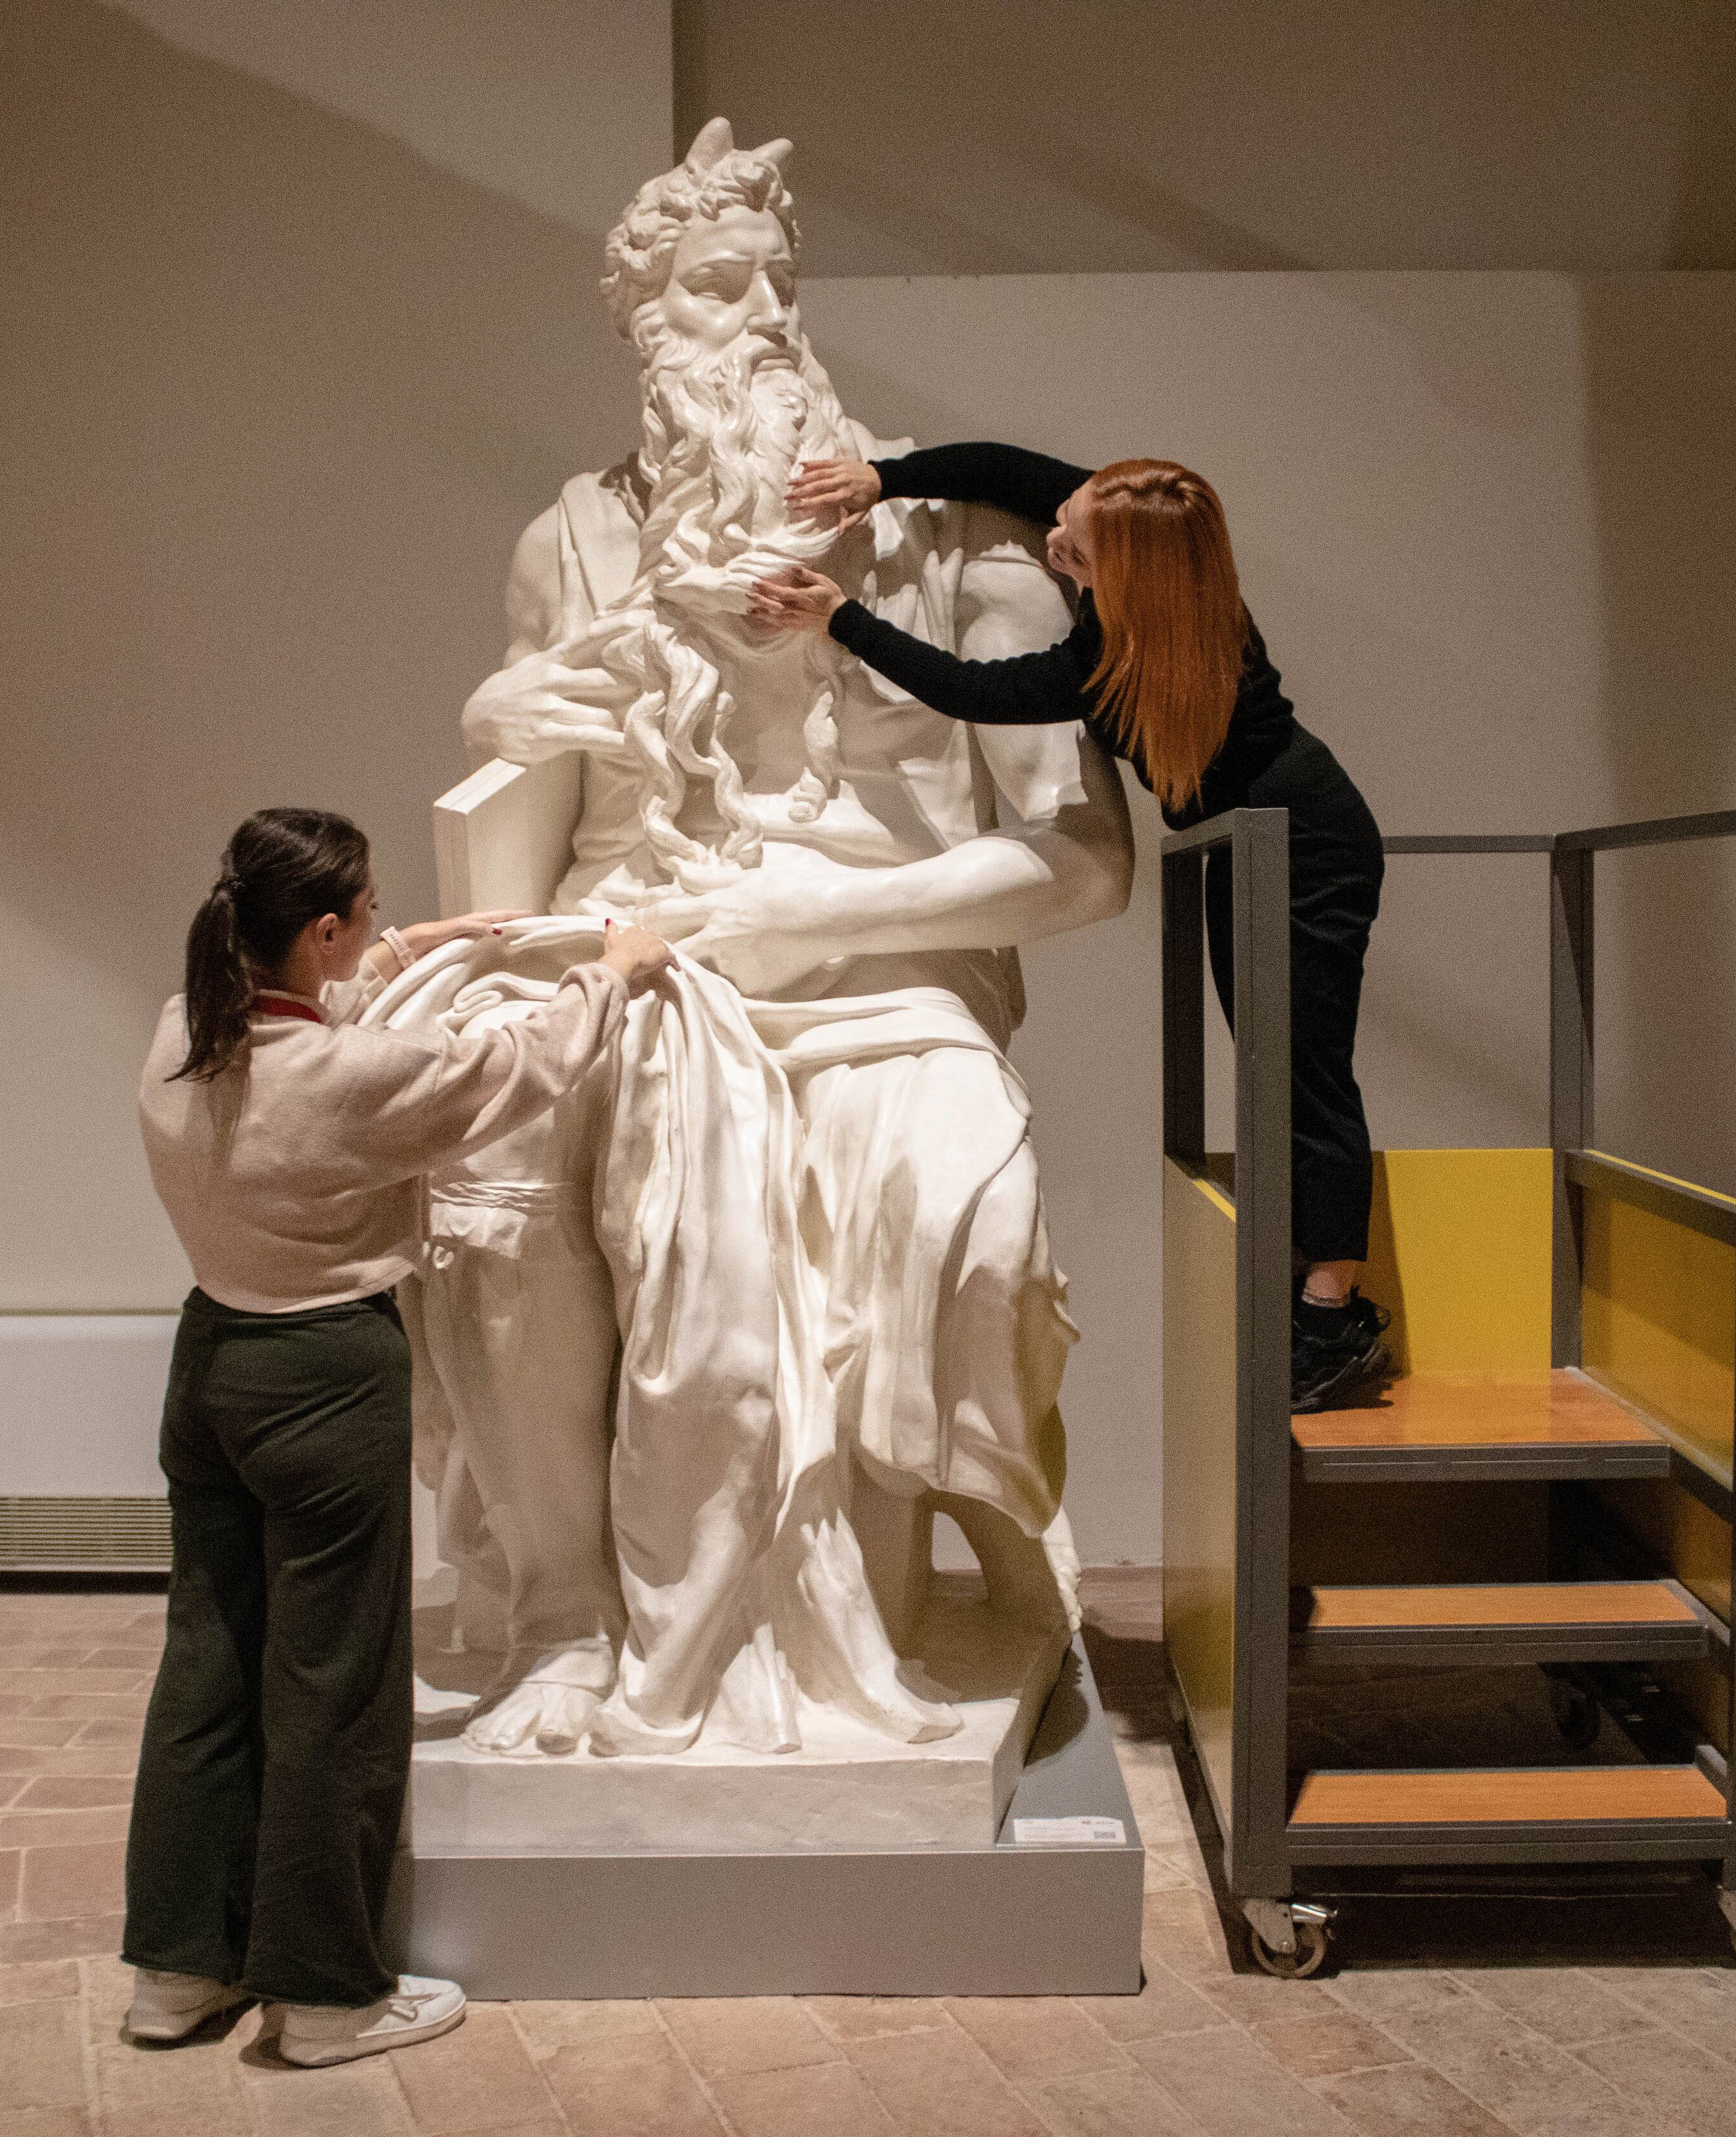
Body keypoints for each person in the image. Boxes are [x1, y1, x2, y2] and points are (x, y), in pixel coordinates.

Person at [415, 119, 1128, 1760]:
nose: (742, 323)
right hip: (634, 949)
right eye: (700, 293)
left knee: (960, 1201)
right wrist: (500, 708)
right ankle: (566, 1617)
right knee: (495, 1172)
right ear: (642, 328)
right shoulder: (574, 544)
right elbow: (532, 769)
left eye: (766, 289)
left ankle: (865, 1604)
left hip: (881, 977)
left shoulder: (959, 550)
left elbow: (1082, 861)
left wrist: (822, 913)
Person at [121, 805, 671, 2061]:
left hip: (208, 1363)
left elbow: (312, 1021)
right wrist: (613, 970)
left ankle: (175, 1965)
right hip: (321, 1371)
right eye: (364, 915)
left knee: (208, 1661)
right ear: (320, 930)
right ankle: (324, 1994)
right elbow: (512, 1070)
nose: (377, 927)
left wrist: (415, 941)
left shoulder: (177, 1037)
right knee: (335, 1686)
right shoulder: (345, 1080)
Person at [753, 447, 1392, 1411]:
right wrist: (884, 477)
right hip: (1248, 845)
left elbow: (972, 691)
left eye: (1076, 547)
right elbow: (1013, 471)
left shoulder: (1119, 658)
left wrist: (840, 620)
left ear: (1127, 573)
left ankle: (1334, 1313)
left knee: (1305, 1066)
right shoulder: (1156, 554)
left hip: (1309, 847)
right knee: (1267, 1055)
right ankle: (1311, 1282)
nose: (1052, 538)